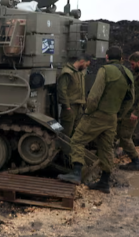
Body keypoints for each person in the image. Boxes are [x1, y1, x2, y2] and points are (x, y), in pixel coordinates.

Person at [57, 46, 134, 193]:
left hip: (97, 115)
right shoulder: (128, 73)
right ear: (121, 58)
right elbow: (131, 99)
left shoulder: (105, 70)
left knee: (77, 140)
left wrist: (88, 111)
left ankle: (76, 173)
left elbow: (94, 95)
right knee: (106, 148)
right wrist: (118, 114)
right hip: (112, 116)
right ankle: (104, 182)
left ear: (106, 57)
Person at [58, 54, 92, 137]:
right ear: (81, 62)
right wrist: (67, 106)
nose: (85, 67)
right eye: (86, 65)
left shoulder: (78, 73)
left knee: (77, 131)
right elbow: (62, 90)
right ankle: (64, 148)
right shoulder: (67, 72)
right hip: (70, 106)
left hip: (78, 106)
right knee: (67, 131)